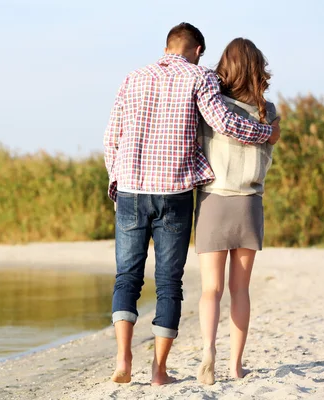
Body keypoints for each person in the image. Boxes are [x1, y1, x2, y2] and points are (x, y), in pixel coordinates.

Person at [103, 24, 280, 386]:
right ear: (197, 49)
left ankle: (125, 357)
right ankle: (161, 371)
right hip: (186, 192)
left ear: (167, 45)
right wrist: (266, 133)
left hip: (142, 191)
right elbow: (223, 122)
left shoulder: (132, 78)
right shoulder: (205, 80)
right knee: (171, 282)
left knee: (129, 277)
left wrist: (116, 181)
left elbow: (111, 137)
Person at [194, 38, 279, 385]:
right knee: (240, 289)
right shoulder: (268, 111)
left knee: (210, 289)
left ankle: (208, 351)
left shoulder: (210, 107)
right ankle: (236, 365)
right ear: (258, 67)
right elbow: (269, 151)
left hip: (213, 201)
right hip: (248, 203)